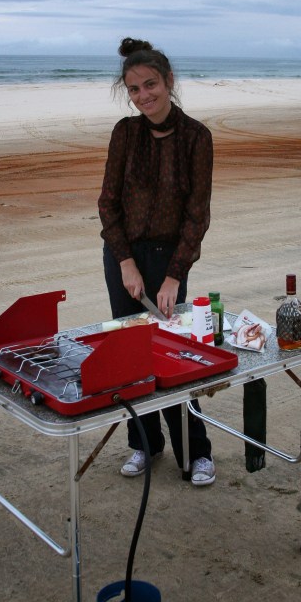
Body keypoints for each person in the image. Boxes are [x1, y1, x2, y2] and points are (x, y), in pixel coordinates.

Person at [98, 37, 216, 486]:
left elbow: (196, 215)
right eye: (134, 89)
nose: (144, 96)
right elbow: (108, 205)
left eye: (151, 84)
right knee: (130, 353)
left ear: (169, 82)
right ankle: (144, 445)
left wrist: (173, 277)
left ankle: (196, 452)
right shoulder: (124, 134)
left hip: (170, 260)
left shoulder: (196, 138)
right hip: (122, 257)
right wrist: (125, 262)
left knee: (167, 354)